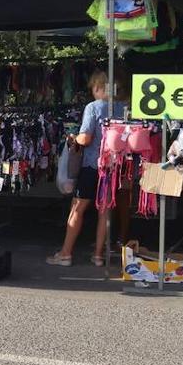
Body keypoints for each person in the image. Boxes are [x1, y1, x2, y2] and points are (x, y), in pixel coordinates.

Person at [48, 71, 120, 267]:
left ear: (98, 87)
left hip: (92, 165)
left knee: (77, 209)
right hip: (113, 167)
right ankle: (98, 255)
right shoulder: (123, 108)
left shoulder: (93, 107)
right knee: (105, 211)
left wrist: (73, 139)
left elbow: (86, 138)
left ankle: (65, 253)